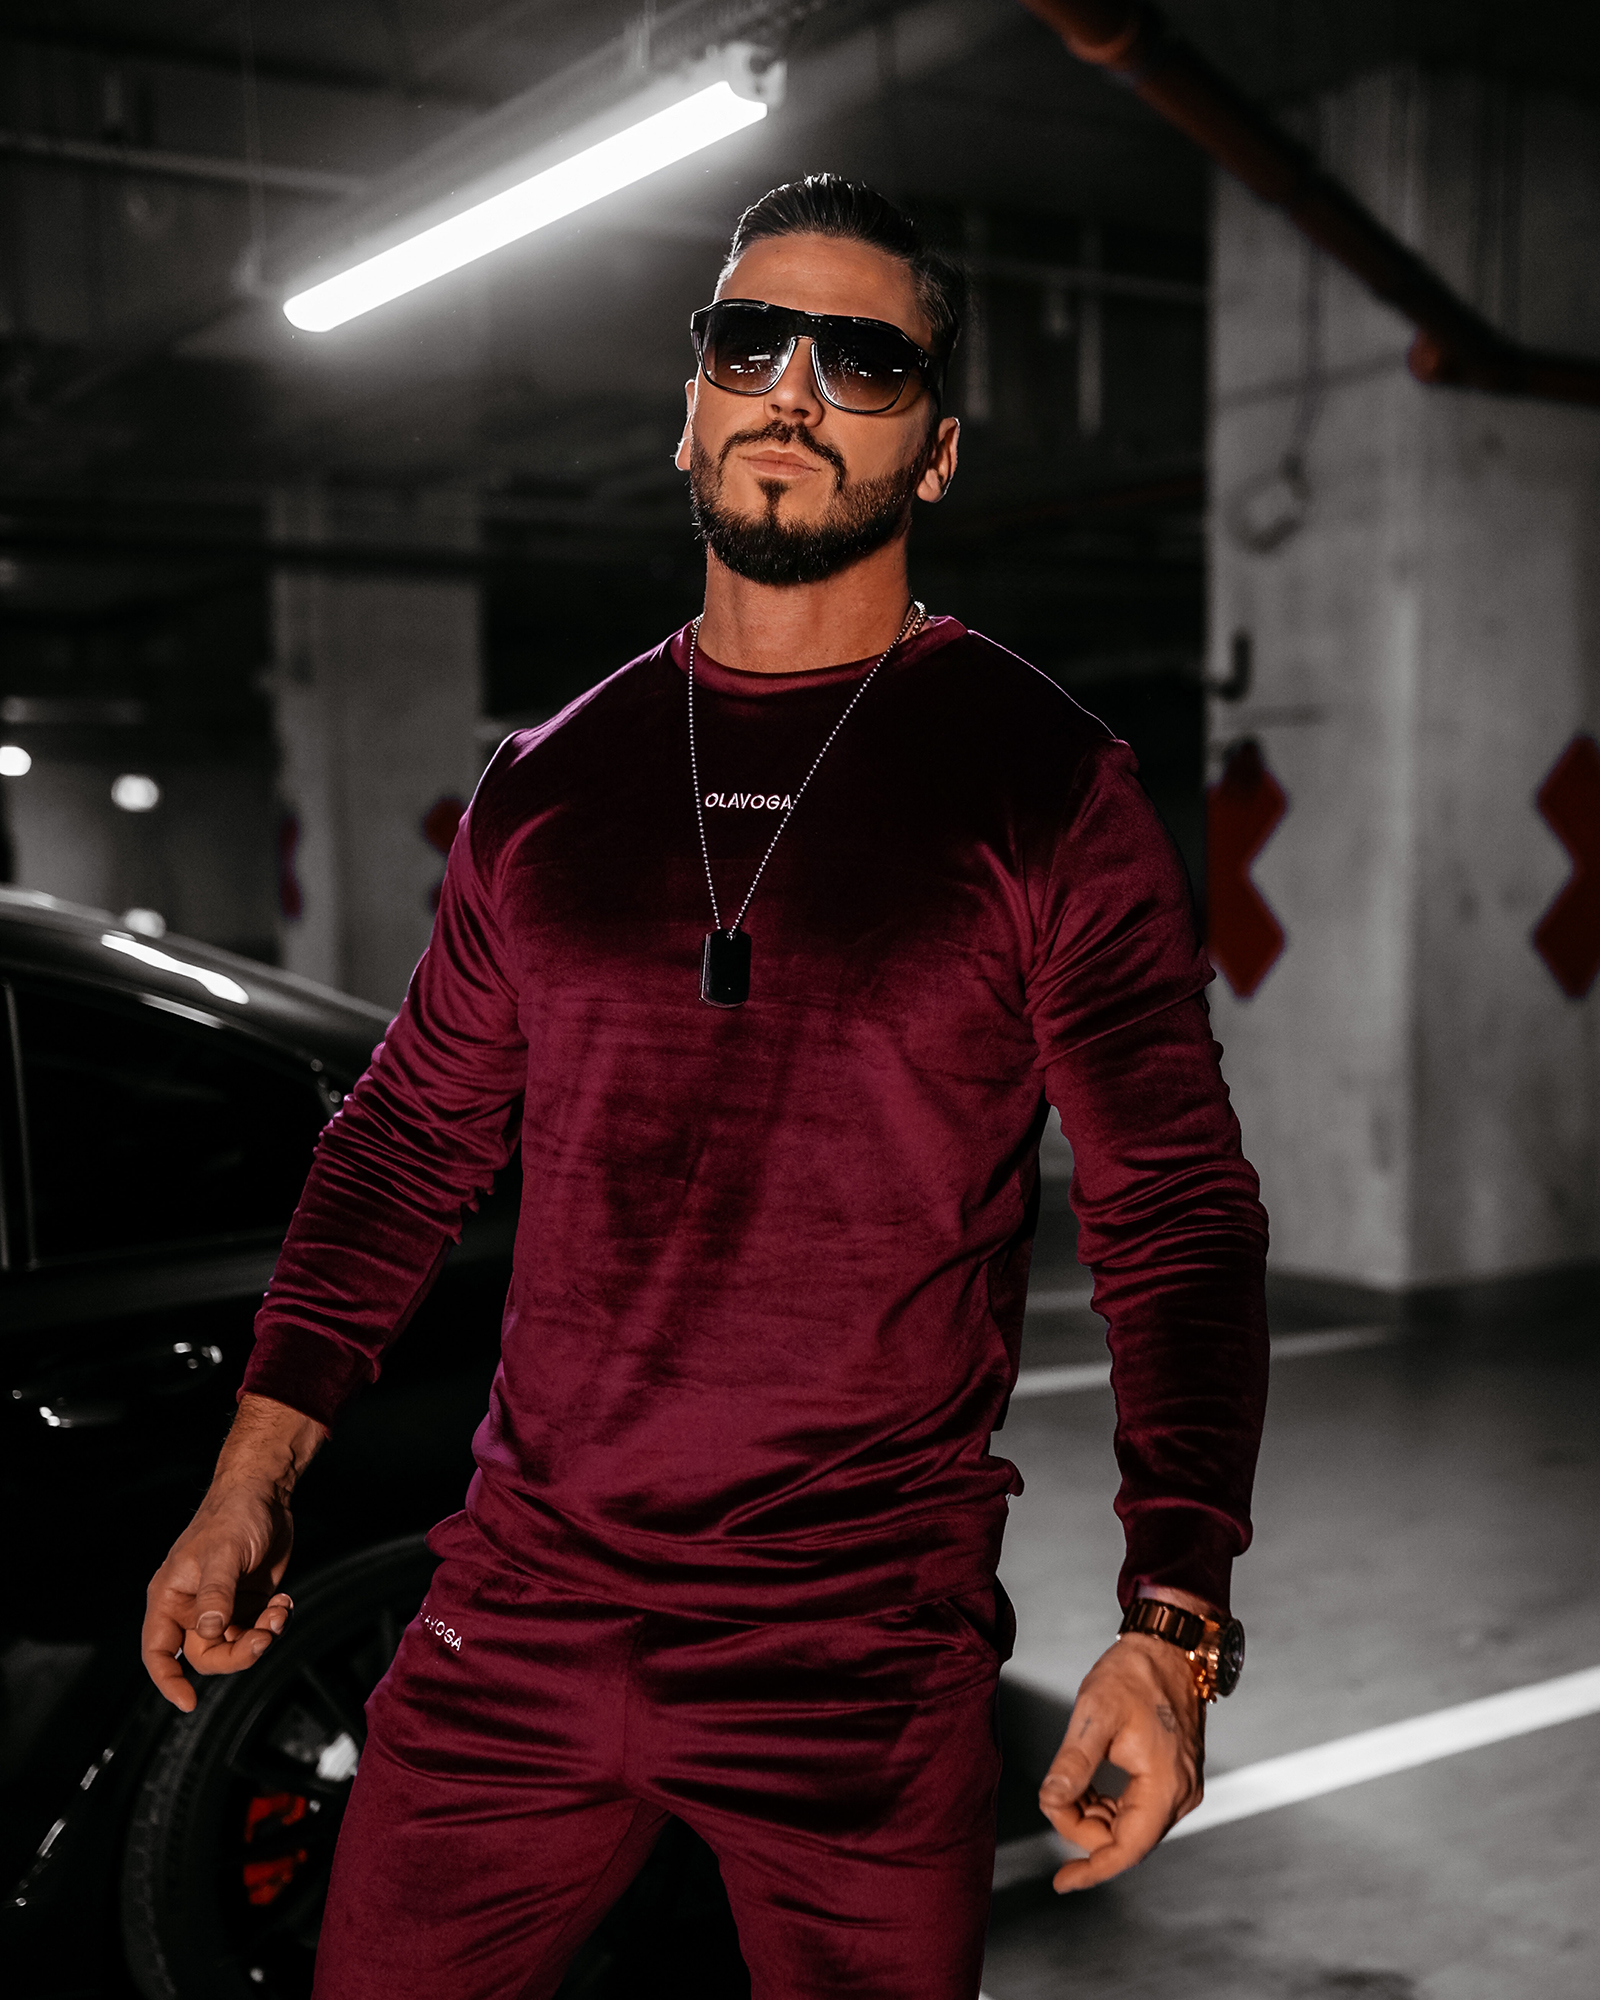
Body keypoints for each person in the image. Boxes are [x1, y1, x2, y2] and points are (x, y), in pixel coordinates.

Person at [142, 175, 1268, 2000]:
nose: (794, 392)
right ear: (689, 408)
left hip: (858, 1650)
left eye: (863, 360)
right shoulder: (547, 786)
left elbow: (1176, 1216)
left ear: (938, 448)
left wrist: (1175, 1621)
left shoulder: (1045, 786)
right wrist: (253, 1471)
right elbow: (405, 1143)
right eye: (751, 343)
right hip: (520, 1608)